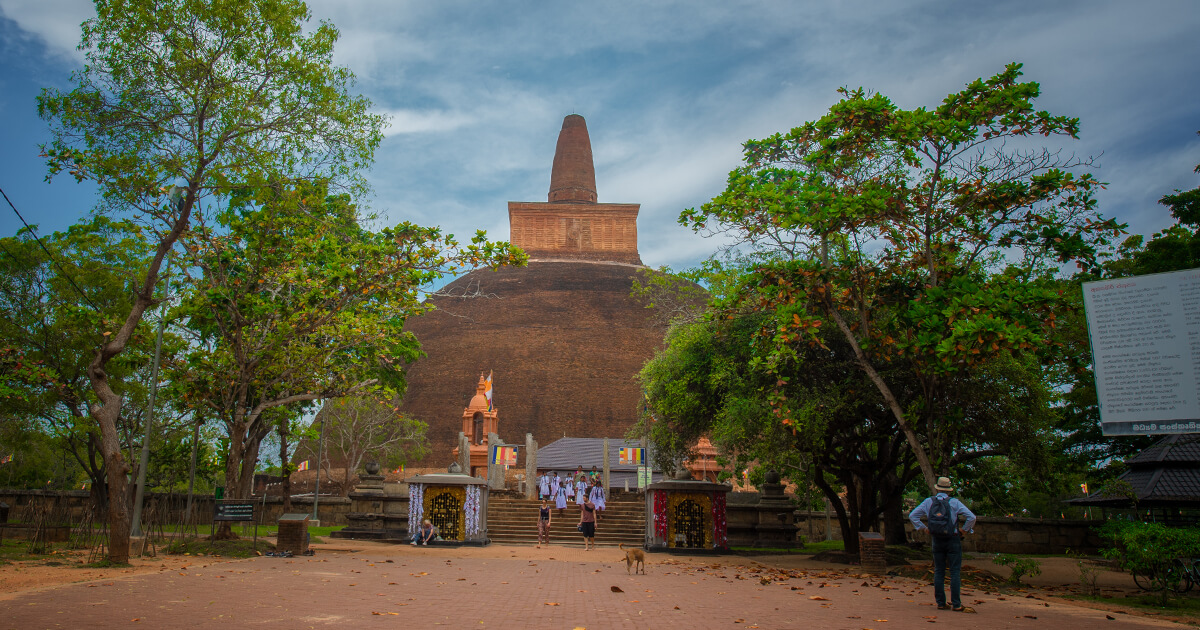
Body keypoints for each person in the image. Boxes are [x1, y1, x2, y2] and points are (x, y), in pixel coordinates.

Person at [909, 476, 976, 612]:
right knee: (954, 572)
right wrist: (965, 530)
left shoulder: (929, 502)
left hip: (937, 539)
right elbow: (972, 517)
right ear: (949, 490)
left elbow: (912, 515)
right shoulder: (954, 503)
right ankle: (956, 604)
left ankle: (941, 602)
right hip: (953, 538)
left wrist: (924, 528)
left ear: (937, 488)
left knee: (939, 571)